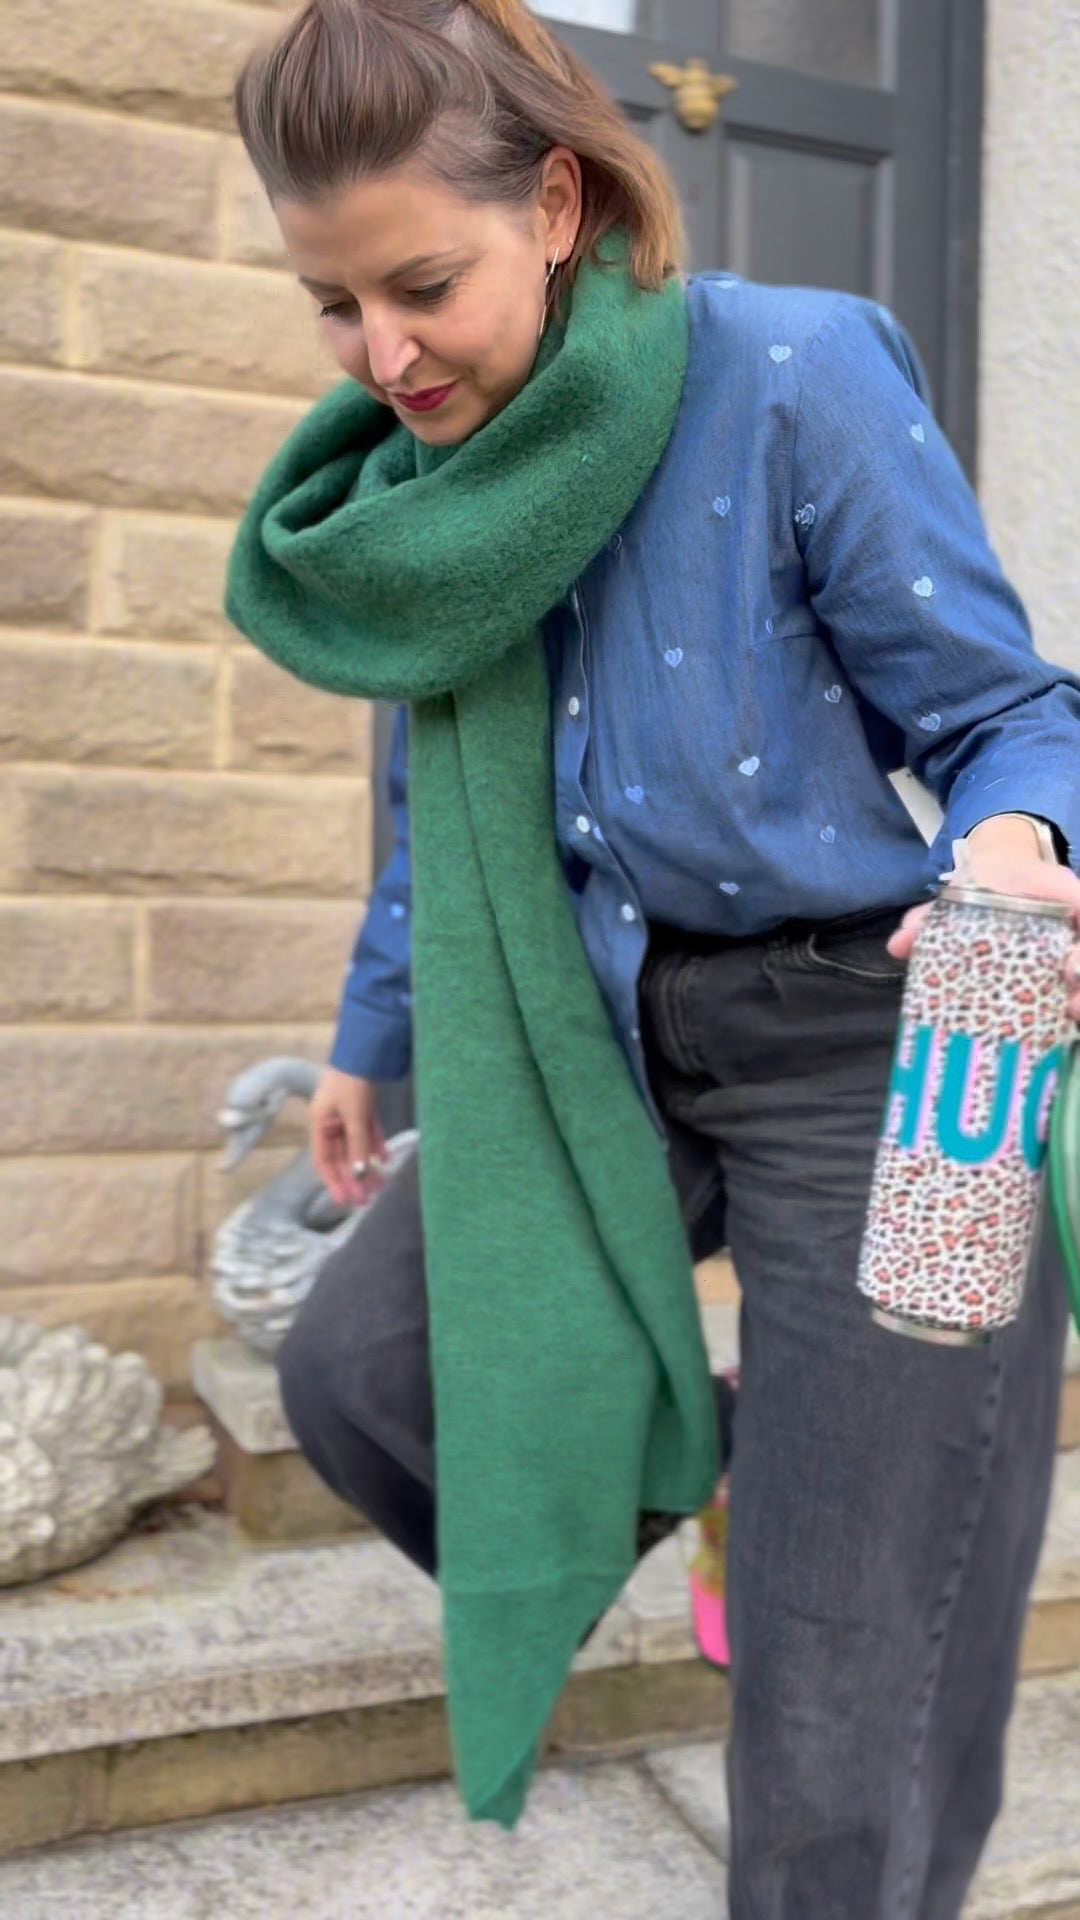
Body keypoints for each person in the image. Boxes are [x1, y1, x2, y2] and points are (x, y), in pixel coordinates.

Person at [225, 1, 1080, 1911]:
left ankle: (825, 1536)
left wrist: (1021, 839)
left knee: (838, 1702)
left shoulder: (791, 372)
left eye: (420, 284)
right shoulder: (427, 485)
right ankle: (762, 1485)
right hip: (593, 1033)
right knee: (362, 1382)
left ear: (552, 200)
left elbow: (1012, 712)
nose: (384, 357)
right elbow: (437, 811)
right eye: (334, 309)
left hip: (872, 1038)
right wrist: (375, 1039)